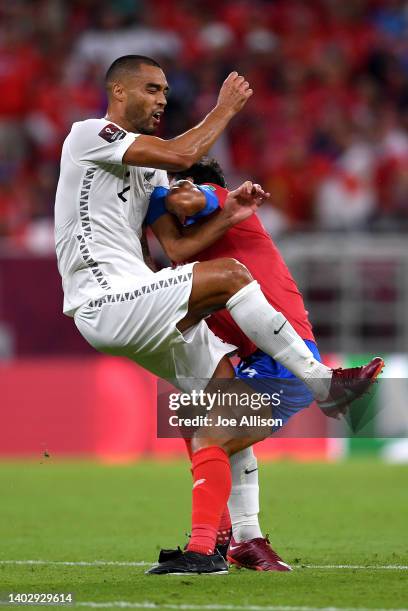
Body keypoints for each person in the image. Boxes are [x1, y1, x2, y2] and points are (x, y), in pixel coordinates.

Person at [54, 55, 383, 575]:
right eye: (151, 88)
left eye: (166, 90)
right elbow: (187, 152)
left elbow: (177, 247)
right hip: (104, 300)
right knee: (230, 275)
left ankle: (218, 546)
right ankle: (324, 384)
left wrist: (227, 213)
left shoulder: (153, 167)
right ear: (118, 91)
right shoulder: (89, 135)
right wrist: (225, 109)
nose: (163, 98)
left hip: (143, 301)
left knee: (219, 402)